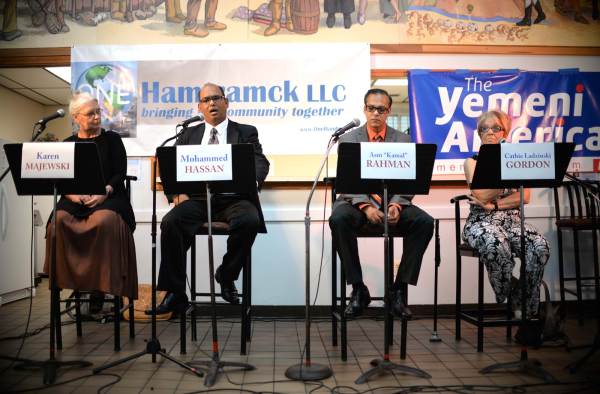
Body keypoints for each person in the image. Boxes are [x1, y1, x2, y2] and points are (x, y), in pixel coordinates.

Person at [153, 82, 270, 314]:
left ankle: (226, 275)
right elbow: (170, 167)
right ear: (200, 106)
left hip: (234, 199)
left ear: (226, 102)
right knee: (171, 222)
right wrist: (176, 194)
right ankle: (175, 291)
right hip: (197, 200)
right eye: (206, 100)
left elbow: (260, 162)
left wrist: (252, 182)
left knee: (250, 220)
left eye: (216, 98)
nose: (212, 103)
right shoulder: (188, 134)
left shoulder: (245, 132)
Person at [329, 88, 434, 319]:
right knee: (338, 218)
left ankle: (397, 290)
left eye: (381, 109)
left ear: (388, 111)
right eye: (371, 108)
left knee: (424, 222)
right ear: (364, 109)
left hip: (391, 203)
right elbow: (345, 183)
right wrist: (366, 207)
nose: (375, 113)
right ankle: (358, 289)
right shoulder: (348, 139)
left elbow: (410, 181)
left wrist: (397, 204)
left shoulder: (403, 139)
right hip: (357, 202)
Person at [44, 92, 138, 303]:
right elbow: (61, 178)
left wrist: (104, 192)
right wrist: (74, 196)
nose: (97, 117)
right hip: (75, 197)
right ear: (76, 117)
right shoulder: (67, 144)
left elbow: (119, 172)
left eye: (98, 112)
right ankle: (69, 279)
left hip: (109, 195)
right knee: (57, 222)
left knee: (103, 220)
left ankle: (100, 284)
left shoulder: (112, 139)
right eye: (90, 114)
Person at [463, 110, 550, 318]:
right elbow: (481, 194)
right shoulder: (472, 162)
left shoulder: (516, 159)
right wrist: (506, 174)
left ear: (505, 133)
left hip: (513, 221)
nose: (489, 133)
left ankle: (527, 308)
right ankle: (513, 294)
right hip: (481, 222)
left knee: (539, 246)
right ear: (478, 134)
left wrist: (495, 204)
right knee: (496, 242)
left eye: (495, 128)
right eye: (483, 129)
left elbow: (524, 196)